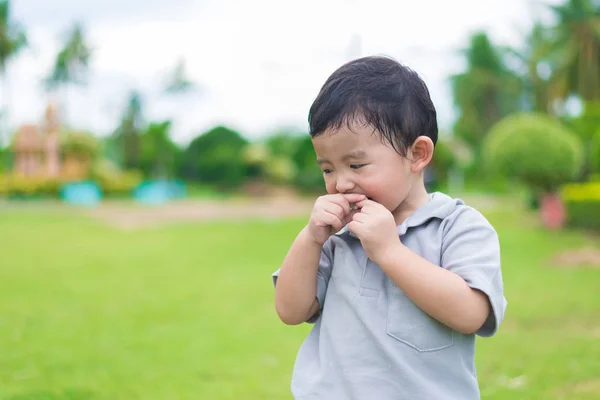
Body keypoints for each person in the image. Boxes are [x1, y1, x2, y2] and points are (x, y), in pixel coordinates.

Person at [271, 55, 507, 400]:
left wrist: (389, 251)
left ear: (417, 154)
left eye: (356, 164)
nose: (340, 183)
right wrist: (310, 239)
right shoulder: (338, 235)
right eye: (328, 169)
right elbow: (291, 311)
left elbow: (471, 313)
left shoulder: (457, 226)